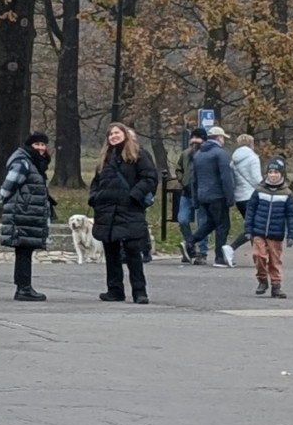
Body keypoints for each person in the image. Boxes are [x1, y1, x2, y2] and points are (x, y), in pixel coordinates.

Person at [87, 122, 158, 304]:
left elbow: (149, 178)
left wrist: (134, 195)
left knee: (133, 252)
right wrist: (95, 198)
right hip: (107, 211)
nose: (113, 136)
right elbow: (97, 181)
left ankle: (139, 291)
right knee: (111, 254)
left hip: (129, 210)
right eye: (110, 134)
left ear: (125, 134)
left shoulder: (138, 154)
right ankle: (115, 290)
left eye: (117, 133)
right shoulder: (105, 158)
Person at [0, 131, 54, 301]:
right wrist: (8, 200)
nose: (41, 148)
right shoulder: (24, 162)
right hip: (23, 213)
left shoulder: (33, 162)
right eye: (37, 144)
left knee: (25, 251)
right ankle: (23, 289)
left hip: (26, 213)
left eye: (43, 145)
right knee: (24, 251)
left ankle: (24, 287)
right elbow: (8, 185)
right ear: (30, 146)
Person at [180, 125, 235, 267]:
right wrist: (230, 197)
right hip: (217, 195)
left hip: (203, 195)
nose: (223, 140)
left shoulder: (199, 154)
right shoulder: (220, 154)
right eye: (223, 138)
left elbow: (194, 178)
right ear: (219, 138)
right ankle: (219, 257)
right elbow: (225, 177)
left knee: (210, 223)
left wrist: (196, 199)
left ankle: (189, 242)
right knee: (223, 225)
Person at [244, 157, 293, 299]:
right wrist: (248, 229)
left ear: (282, 174)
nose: (273, 175)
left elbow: (291, 216)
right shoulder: (259, 191)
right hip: (259, 231)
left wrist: (292, 235)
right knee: (258, 255)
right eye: (271, 172)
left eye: (276, 172)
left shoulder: (287, 194)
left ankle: (276, 285)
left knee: (274, 260)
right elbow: (251, 210)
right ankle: (262, 279)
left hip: (276, 233)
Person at [223, 133, 263, 267]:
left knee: (252, 225)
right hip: (251, 196)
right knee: (255, 226)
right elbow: (257, 179)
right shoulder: (252, 158)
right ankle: (232, 248)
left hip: (240, 197)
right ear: (252, 143)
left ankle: (258, 256)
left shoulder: (233, 159)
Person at [175, 128, 209, 265]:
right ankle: (190, 246)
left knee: (203, 223)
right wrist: (182, 180)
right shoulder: (185, 154)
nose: (195, 141)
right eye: (193, 138)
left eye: (198, 138)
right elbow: (178, 169)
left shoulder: (207, 155)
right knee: (182, 219)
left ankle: (202, 252)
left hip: (202, 194)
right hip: (187, 193)